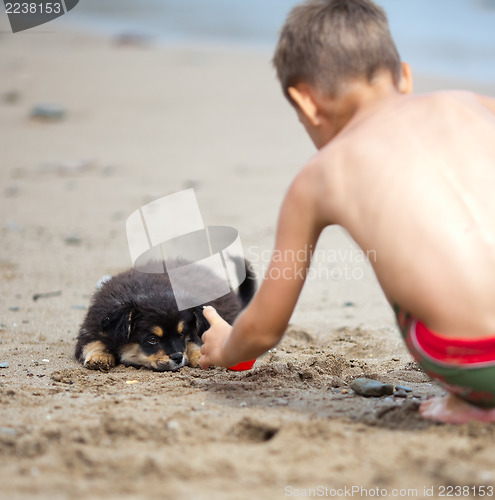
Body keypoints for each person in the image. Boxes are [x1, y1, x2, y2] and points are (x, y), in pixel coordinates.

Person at [198, 0, 495, 424]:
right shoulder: (472, 104)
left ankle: (473, 403)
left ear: (306, 103)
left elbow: (265, 328)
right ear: (405, 77)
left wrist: (227, 345)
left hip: (477, 365)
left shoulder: (320, 176)